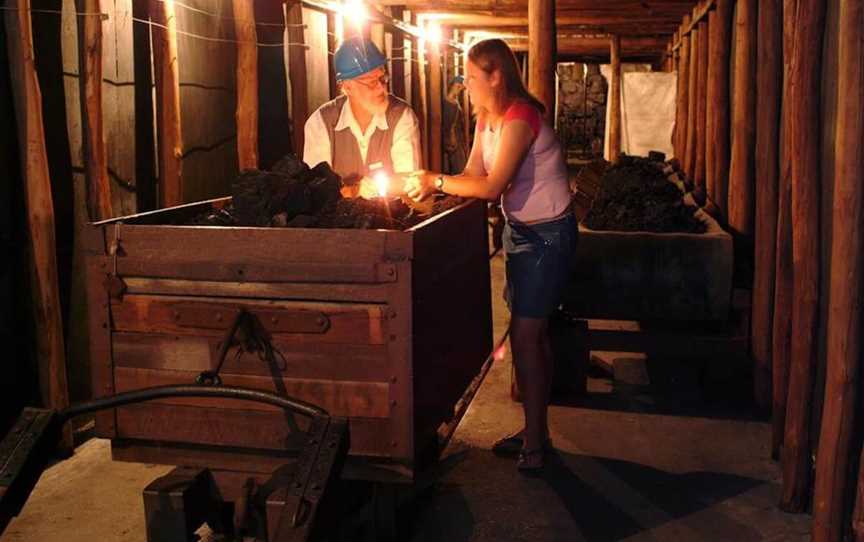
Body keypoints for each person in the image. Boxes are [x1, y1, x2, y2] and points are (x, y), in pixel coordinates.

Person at [406, 39, 576, 472]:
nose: (467, 88)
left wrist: (434, 180)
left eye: (473, 79)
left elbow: (491, 186)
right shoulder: (487, 119)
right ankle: (538, 431)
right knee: (531, 336)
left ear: (496, 75)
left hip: (548, 237)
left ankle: (535, 445)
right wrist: (433, 187)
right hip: (521, 233)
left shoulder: (521, 117)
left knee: (524, 335)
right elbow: (471, 175)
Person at [303, 36, 422, 197]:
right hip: (337, 221)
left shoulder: (401, 116)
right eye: (371, 82)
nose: (381, 89)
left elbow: (410, 180)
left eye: (382, 78)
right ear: (347, 87)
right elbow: (316, 190)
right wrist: (355, 191)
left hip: (391, 219)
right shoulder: (321, 123)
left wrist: (372, 189)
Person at [442, 75, 468, 174]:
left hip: (458, 138)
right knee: (457, 167)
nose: (459, 90)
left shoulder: (455, 102)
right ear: (452, 86)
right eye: (457, 87)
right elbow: (449, 124)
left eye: (461, 88)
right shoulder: (447, 102)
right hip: (452, 139)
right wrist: (451, 138)